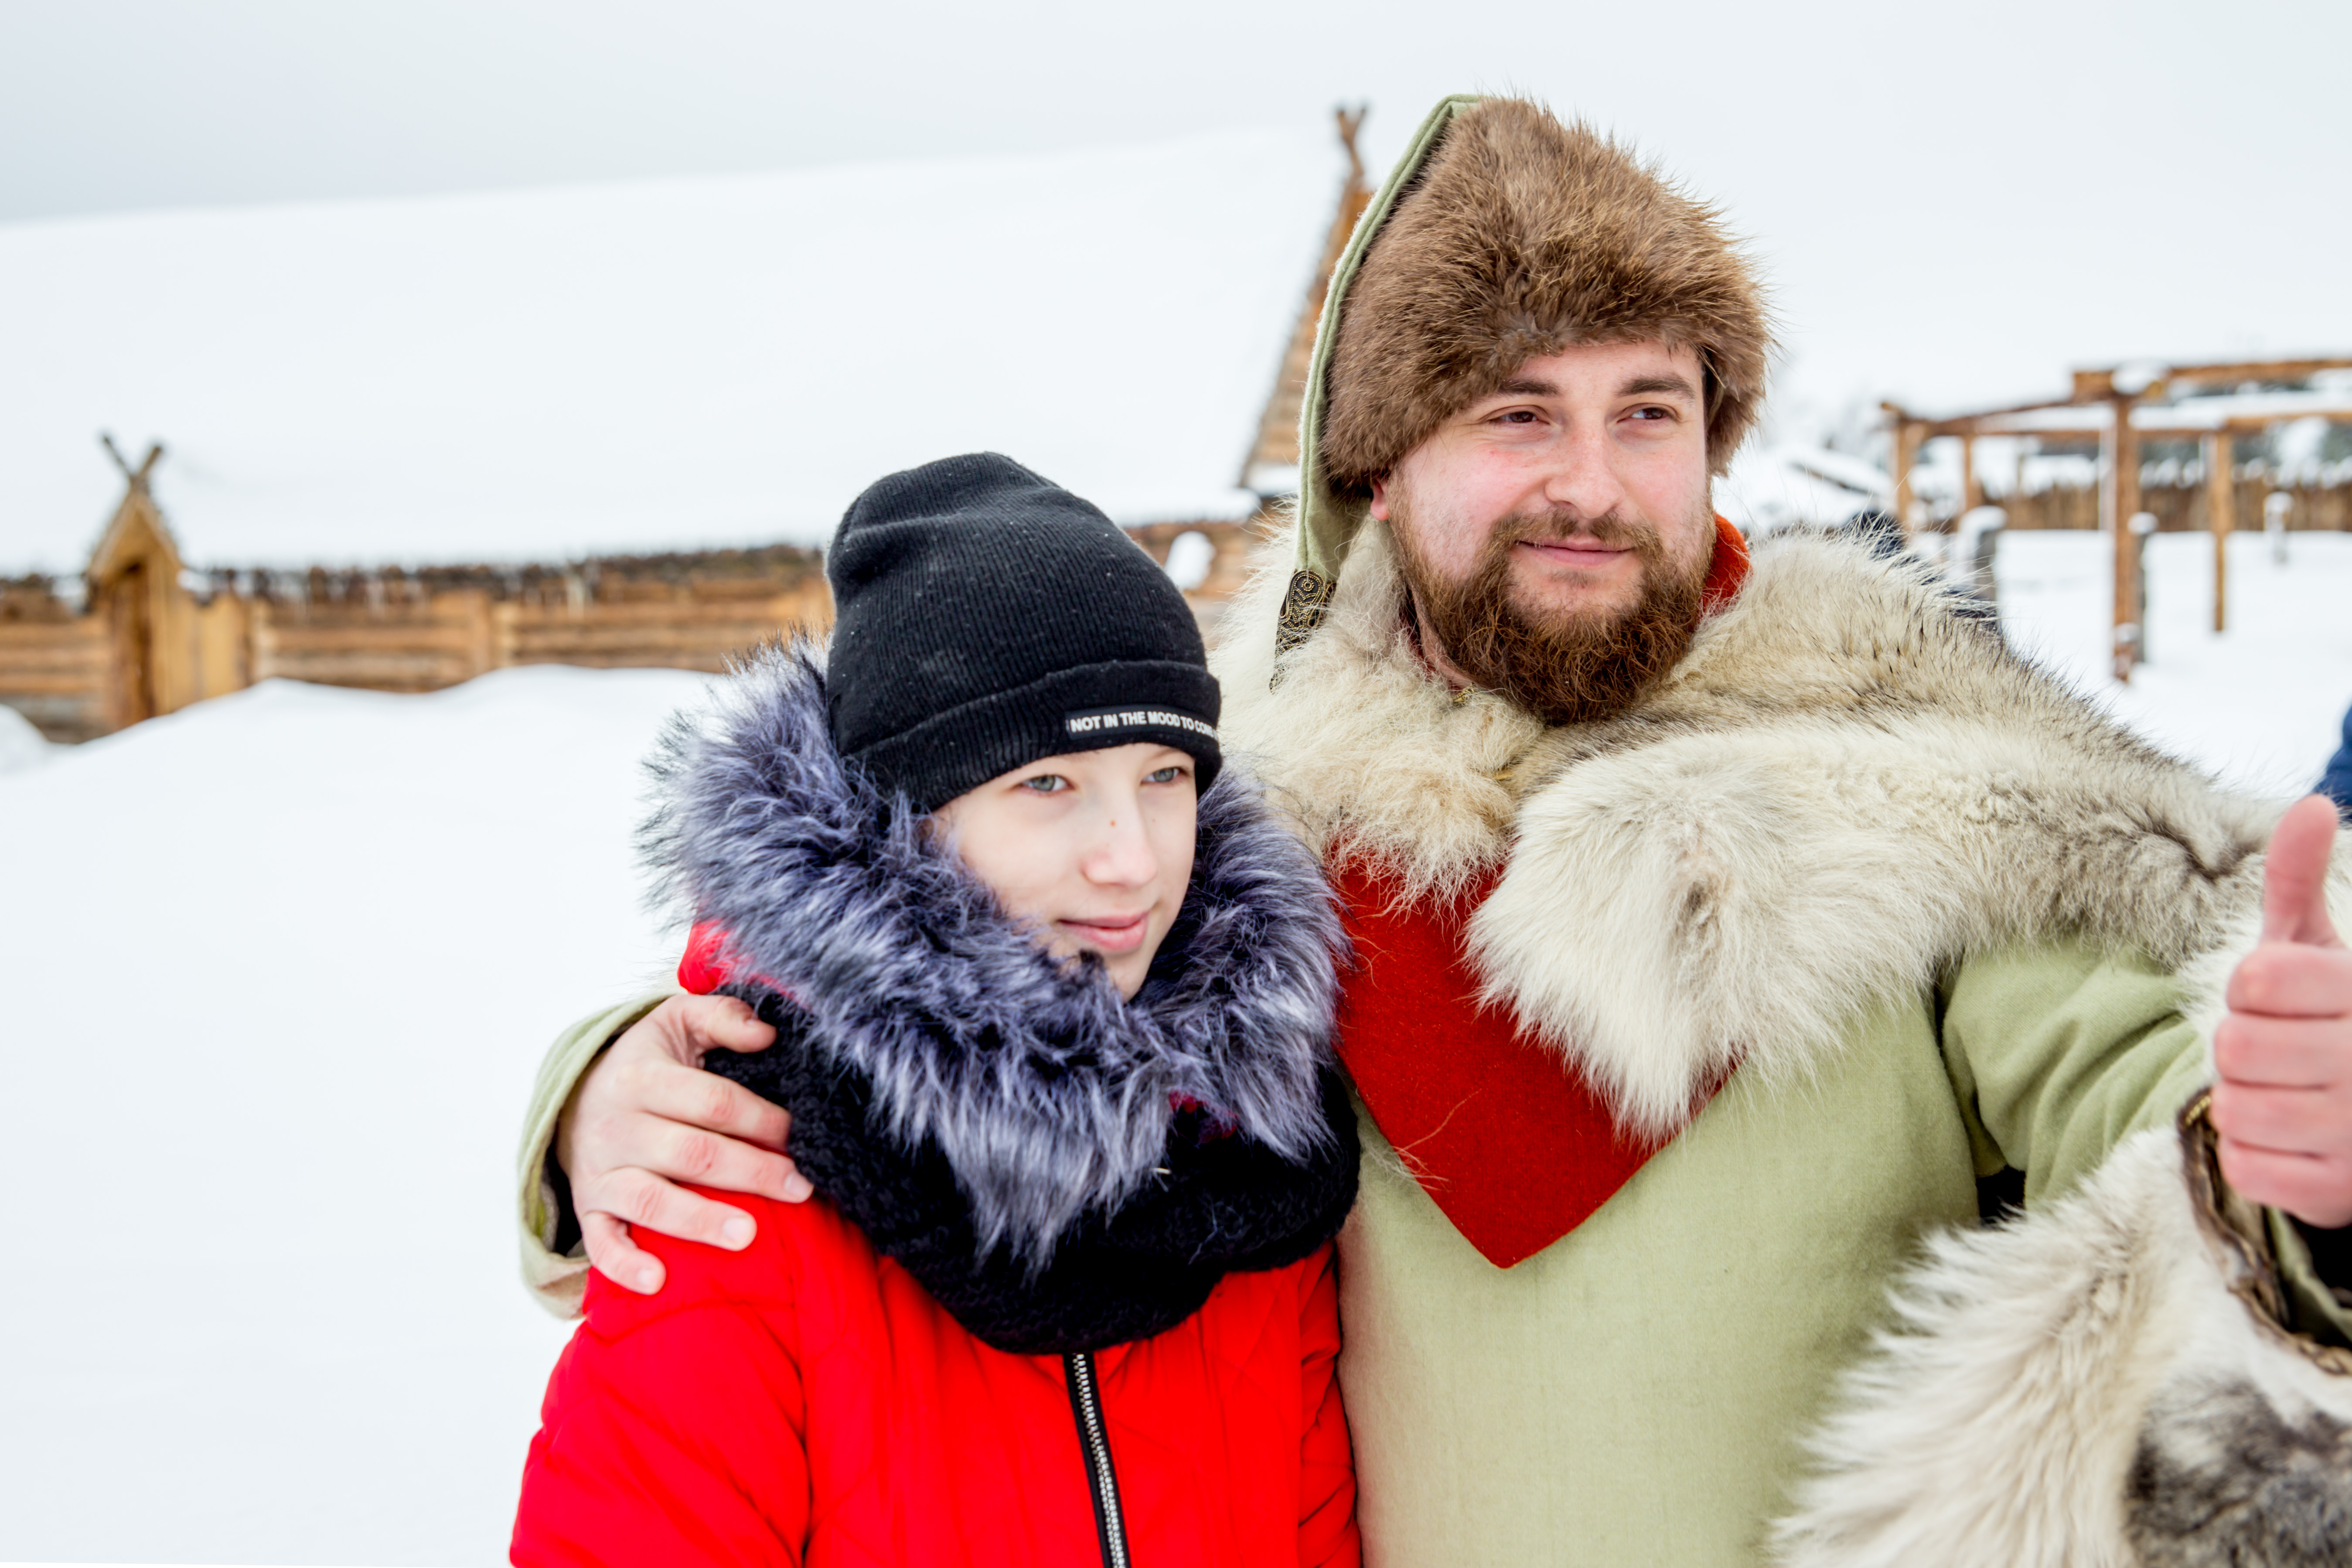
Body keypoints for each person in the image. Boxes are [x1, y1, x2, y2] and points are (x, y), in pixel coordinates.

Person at [517, 99, 2352, 1564]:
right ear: (1379, 470)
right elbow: (929, 964)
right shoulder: (1233, 806)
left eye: (1648, 410)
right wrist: (606, 1088)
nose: (1589, 480)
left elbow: (2157, 1095)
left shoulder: (1920, 783)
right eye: (1514, 413)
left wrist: (2296, 1155)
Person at [510, 454, 1361, 1566]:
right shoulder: (741, 1182)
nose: (1133, 859)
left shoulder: (1248, 1168)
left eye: (1164, 774)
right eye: (1046, 783)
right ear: (906, 820)